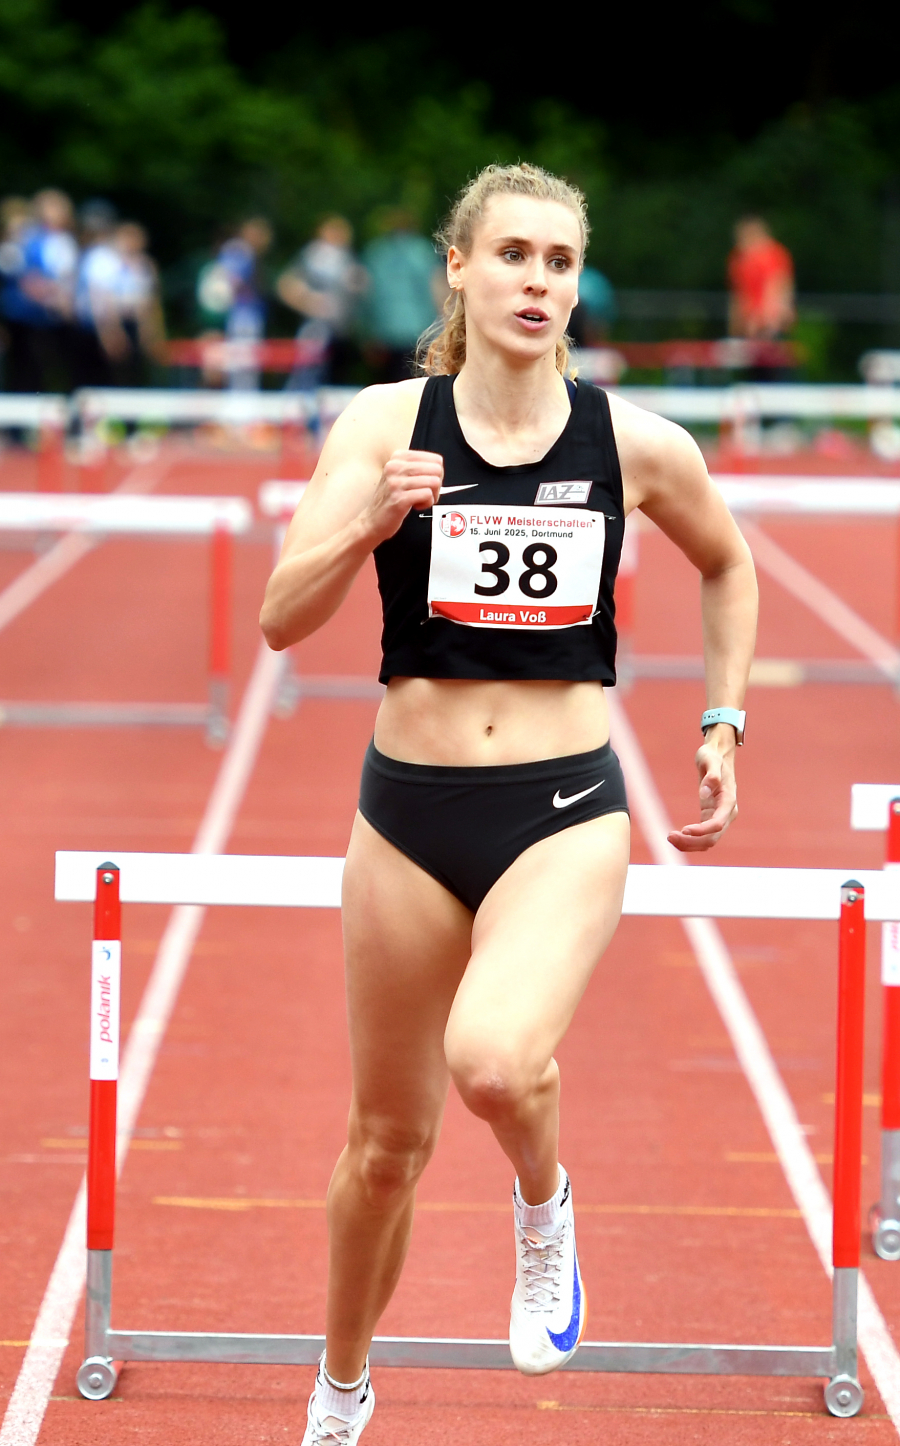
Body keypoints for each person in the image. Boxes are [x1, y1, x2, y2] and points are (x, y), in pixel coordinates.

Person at [260, 162, 757, 1446]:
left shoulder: (634, 444)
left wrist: (722, 717)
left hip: (564, 809)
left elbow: (728, 561)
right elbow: (278, 618)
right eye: (515, 256)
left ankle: (545, 1209)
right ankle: (342, 1388)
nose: (538, 281)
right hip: (407, 814)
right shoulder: (382, 423)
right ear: (461, 275)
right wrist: (367, 519)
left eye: (559, 261)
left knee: (492, 1059)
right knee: (381, 1145)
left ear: (576, 284)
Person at [277, 216, 367, 389]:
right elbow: (287, 284)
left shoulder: (346, 257)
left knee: (336, 378)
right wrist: (309, 302)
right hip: (317, 327)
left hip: (342, 329)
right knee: (309, 374)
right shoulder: (314, 256)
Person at [361, 208, 444, 382]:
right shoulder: (422, 251)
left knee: (386, 381)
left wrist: (367, 331)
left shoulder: (376, 252)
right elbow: (436, 289)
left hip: (385, 329)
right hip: (419, 328)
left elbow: (366, 293)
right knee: (415, 380)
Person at [728, 216, 794, 341]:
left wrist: (766, 320)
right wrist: (737, 324)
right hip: (749, 324)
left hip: (768, 324)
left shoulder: (773, 255)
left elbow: (778, 286)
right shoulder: (739, 260)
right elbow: (738, 294)